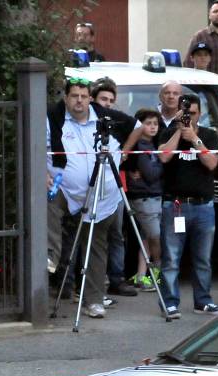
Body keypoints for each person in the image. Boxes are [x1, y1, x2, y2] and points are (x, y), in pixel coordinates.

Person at [46, 79, 140, 318]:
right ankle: (49, 256)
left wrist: (124, 153)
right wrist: (43, 173)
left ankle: (94, 301)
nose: (79, 101)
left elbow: (138, 126)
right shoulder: (52, 116)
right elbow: (37, 146)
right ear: (66, 98)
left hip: (101, 194)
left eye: (83, 96)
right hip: (63, 189)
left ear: (90, 98)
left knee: (96, 246)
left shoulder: (105, 116)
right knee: (48, 211)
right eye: (74, 96)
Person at [156, 94, 218, 318]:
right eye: (185, 114)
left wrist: (194, 138)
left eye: (192, 114)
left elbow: (212, 163)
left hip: (203, 206)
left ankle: (203, 301)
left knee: (202, 258)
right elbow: (164, 157)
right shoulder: (167, 132)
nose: (189, 118)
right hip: (175, 206)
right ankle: (170, 302)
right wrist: (178, 130)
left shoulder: (210, 135)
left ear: (199, 114)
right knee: (171, 258)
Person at [88, 79, 138, 298]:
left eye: (110, 100)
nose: (106, 104)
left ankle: (116, 279)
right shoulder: (88, 120)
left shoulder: (117, 122)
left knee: (116, 234)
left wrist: (124, 152)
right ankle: (84, 282)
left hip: (114, 187)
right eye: (102, 99)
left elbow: (138, 127)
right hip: (90, 185)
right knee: (89, 234)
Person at [124, 108, 163, 292]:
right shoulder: (139, 146)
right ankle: (156, 273)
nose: (153, 127)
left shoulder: (152, 145)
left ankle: (141, 276)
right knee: (155, 237)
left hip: (152, 197)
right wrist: (163, 162)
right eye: (148, 123)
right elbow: (151, 174)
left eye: (155, 123)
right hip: (145, 198)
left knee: (146, 238)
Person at [183, 0, 218, 80]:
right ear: (209, 15)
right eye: (215, 11)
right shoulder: (199, 36)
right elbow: (188, 63)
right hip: (205, 86)